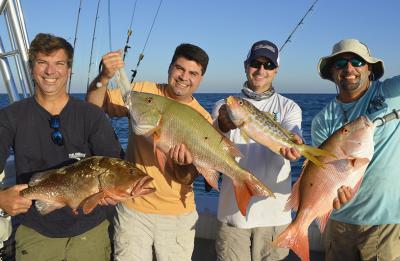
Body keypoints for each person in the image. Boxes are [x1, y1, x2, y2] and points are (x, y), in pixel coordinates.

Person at [0, 33, 123, 261]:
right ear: (31, 67)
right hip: (36, 229)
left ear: (69, 70)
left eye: (59, 63)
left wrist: (112, 193)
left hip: (91, 229)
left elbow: (114, 165)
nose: (50, 71)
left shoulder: (92, 115)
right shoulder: (9, 117)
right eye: (42, 63)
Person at [86, 43, 211, 261]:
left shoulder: (204, 120)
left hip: (178, 216)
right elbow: (95, 106)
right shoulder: (144, 93)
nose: (184, 77)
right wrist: (104, 77)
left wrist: (182, 164)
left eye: (193, 73)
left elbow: (188, 177)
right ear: (170, 68)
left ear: (201, 78)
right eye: (179, 68)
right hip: (133, 208)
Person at [212, 40, 304, 260]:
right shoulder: (224, 106)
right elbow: (213, 145)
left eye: (268, 65)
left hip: (275, 216)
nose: (261, 70)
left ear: (276, 70)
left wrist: (296, 147)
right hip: (233, 216)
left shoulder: (290, 107)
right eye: (256, 63)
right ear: (246, 65)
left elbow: (294, 137)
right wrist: (224, 124)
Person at [312, 38, 400, 260]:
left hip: (384, 222)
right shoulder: (322, 120)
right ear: (332, 73)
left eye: (358, 62)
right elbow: (323, 173)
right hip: (338, 223)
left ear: (369, 69)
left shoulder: (392, 93)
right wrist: (331, 198)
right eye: (340, 63)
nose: (349, 69)